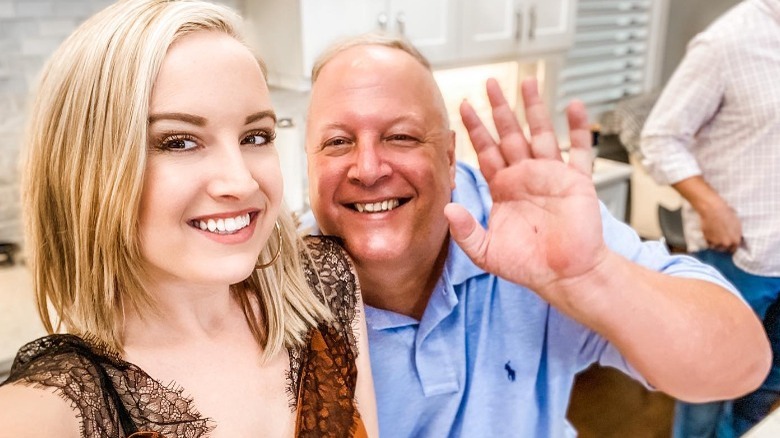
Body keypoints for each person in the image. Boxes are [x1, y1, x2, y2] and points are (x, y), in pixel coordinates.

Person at [302, 33, 771, 437]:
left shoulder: (527, 220)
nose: (366, 169)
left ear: (448, 157)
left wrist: (591, 277)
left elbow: (740, 366)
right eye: (337, 142)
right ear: (307, 164)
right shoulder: (278, 292)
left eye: (400, 136)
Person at [0, 1, 378, 437]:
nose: (240, 180)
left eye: (255, 136)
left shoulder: (325, 286)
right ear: (87, 171)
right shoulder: (64, 404)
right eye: (179, 142)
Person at [640, 0, 780, 436]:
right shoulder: (728, 41)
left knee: (766, 385)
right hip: (739, 256)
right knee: (708, 387)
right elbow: (660, 137)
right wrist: (710, 206)